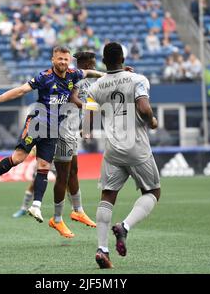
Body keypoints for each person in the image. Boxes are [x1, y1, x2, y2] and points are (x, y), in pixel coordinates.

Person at [0, 46, 104, 223]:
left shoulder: (74, 75)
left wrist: (111, 74)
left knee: (43, 167)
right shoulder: (44, 77)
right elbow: (20, 90)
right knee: (18, 158)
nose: (63, 62)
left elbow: (89, 72)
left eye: (66, 59)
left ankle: (36, 206)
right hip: (36, 123)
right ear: (53, 60)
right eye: (60, 59)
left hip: (53, 130)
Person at [85, 42, 160, 269]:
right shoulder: (138, 79)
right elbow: (145, 109)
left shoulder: (95, 87)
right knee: (153, 191)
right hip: (136, 147)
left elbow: (87, 120)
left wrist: (86, 130)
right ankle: (124, 226)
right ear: (123, 59)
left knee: (107, 196)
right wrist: (153, 121)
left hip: (113, 149)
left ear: (104, 62)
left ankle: (102, 249)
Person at [48, 52, 98, 238]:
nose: (94, 66)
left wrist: (86, 127)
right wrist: (87, 107)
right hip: (61, 130)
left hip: (70, 130)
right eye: (91, 64)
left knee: (73, 171)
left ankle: (78, 210)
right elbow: (72, 99)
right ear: (83, 64)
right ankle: (57, 219)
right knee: (63, 175)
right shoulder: (75, 77)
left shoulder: (88, 82)